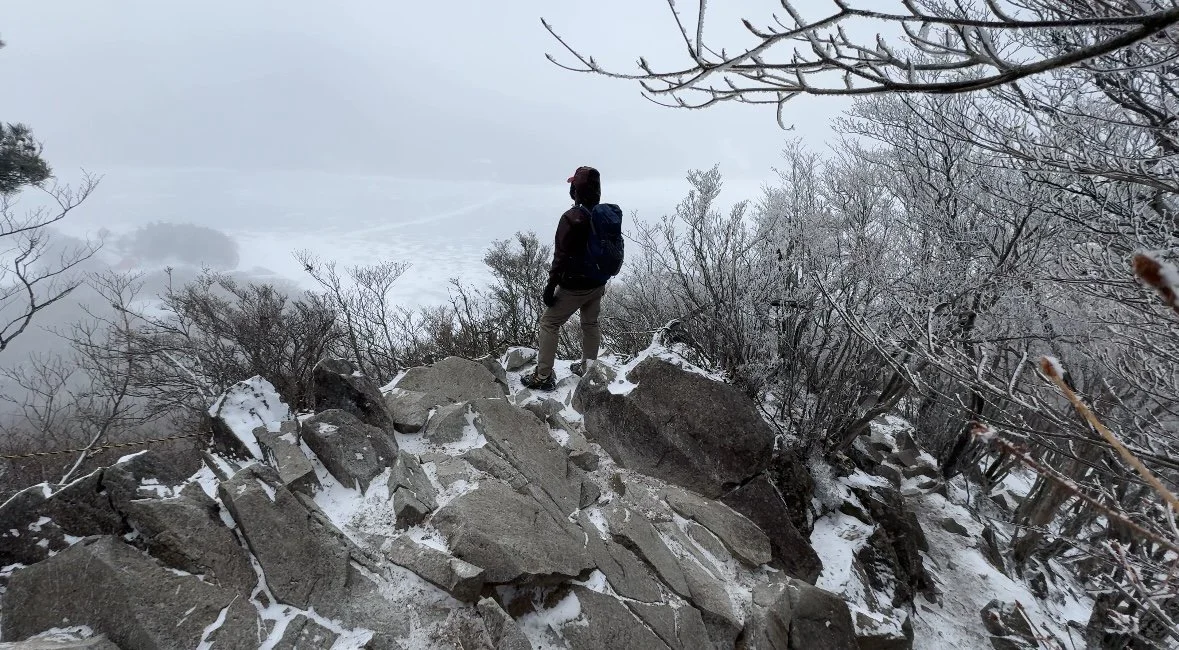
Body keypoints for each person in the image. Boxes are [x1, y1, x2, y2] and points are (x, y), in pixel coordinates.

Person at [521, 165, 617, 390]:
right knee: (590, 323)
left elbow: (560, 257)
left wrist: (550, 286)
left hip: (575, 286)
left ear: (576, 190)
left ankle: (543, 376)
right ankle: (588, 368)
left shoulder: (572, 218)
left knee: (549, 322)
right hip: (598, 283)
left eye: (573, 186)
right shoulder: (604, 214)